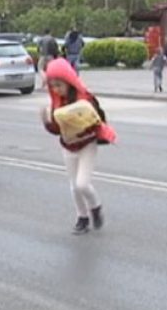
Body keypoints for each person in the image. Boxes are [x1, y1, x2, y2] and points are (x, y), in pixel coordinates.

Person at [41, 58, 117, 235]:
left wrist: (85, 125)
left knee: (82, 184)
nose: (56, 89)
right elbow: (56, 128)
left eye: (59, 85)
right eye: (53, 86)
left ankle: (95, 207)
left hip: (86, 144)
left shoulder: (85, 99)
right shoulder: (57, 102)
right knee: (74, 186)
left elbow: (98, 121)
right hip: (68, 145)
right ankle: (82, 217)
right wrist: (47, 122)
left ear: (68, 81)